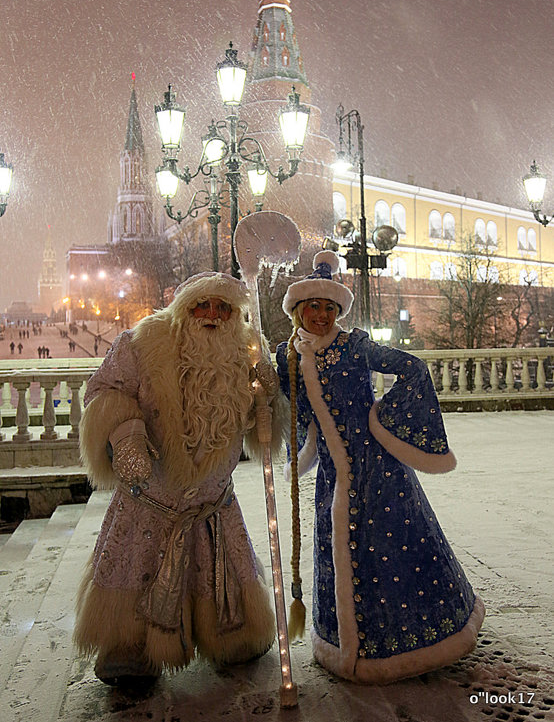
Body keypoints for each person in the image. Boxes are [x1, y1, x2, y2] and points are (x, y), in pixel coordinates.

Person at [275, 251, 485, 685]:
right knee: (338, 547)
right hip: (334, 474)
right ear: (297, 310)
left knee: (388, 547)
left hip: (379, 471)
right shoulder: (288, 356)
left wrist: (381, 422)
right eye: (312, 306)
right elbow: (284, 400)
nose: (320, 315)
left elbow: (412, 369)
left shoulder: (354, 346)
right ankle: (341, 642)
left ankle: (408, 644)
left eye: (328, 307)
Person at [74, 272, 281, 686]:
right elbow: (104, 390)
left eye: (223, 308)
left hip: (212, 505)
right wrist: (125, 434)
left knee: (220, 572)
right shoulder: (141, 344)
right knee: (137, 569)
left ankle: (233, 633)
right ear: (182, 309)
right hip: (149, 503)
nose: (211, 315)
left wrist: (269, 399)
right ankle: (130, 643)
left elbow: (264, 427)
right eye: (201, 305)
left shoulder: (248, 350)